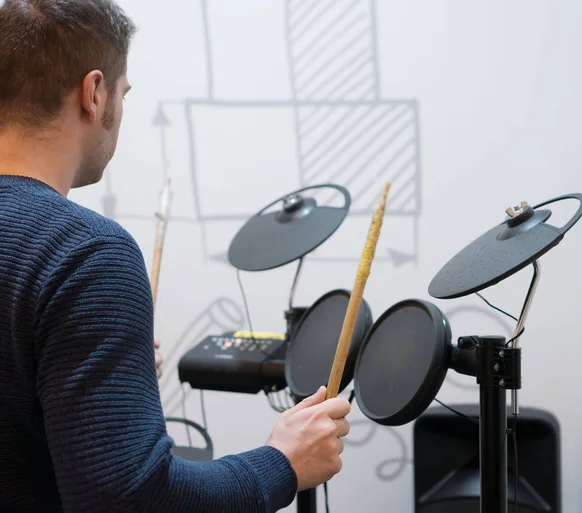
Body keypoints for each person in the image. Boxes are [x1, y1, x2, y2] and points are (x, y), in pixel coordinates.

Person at [0, 1, 351, 512]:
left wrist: (95, 386)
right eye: (123, 93)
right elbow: (131, 499)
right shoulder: (85, 254)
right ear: (94, 93)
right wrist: (283, 462)